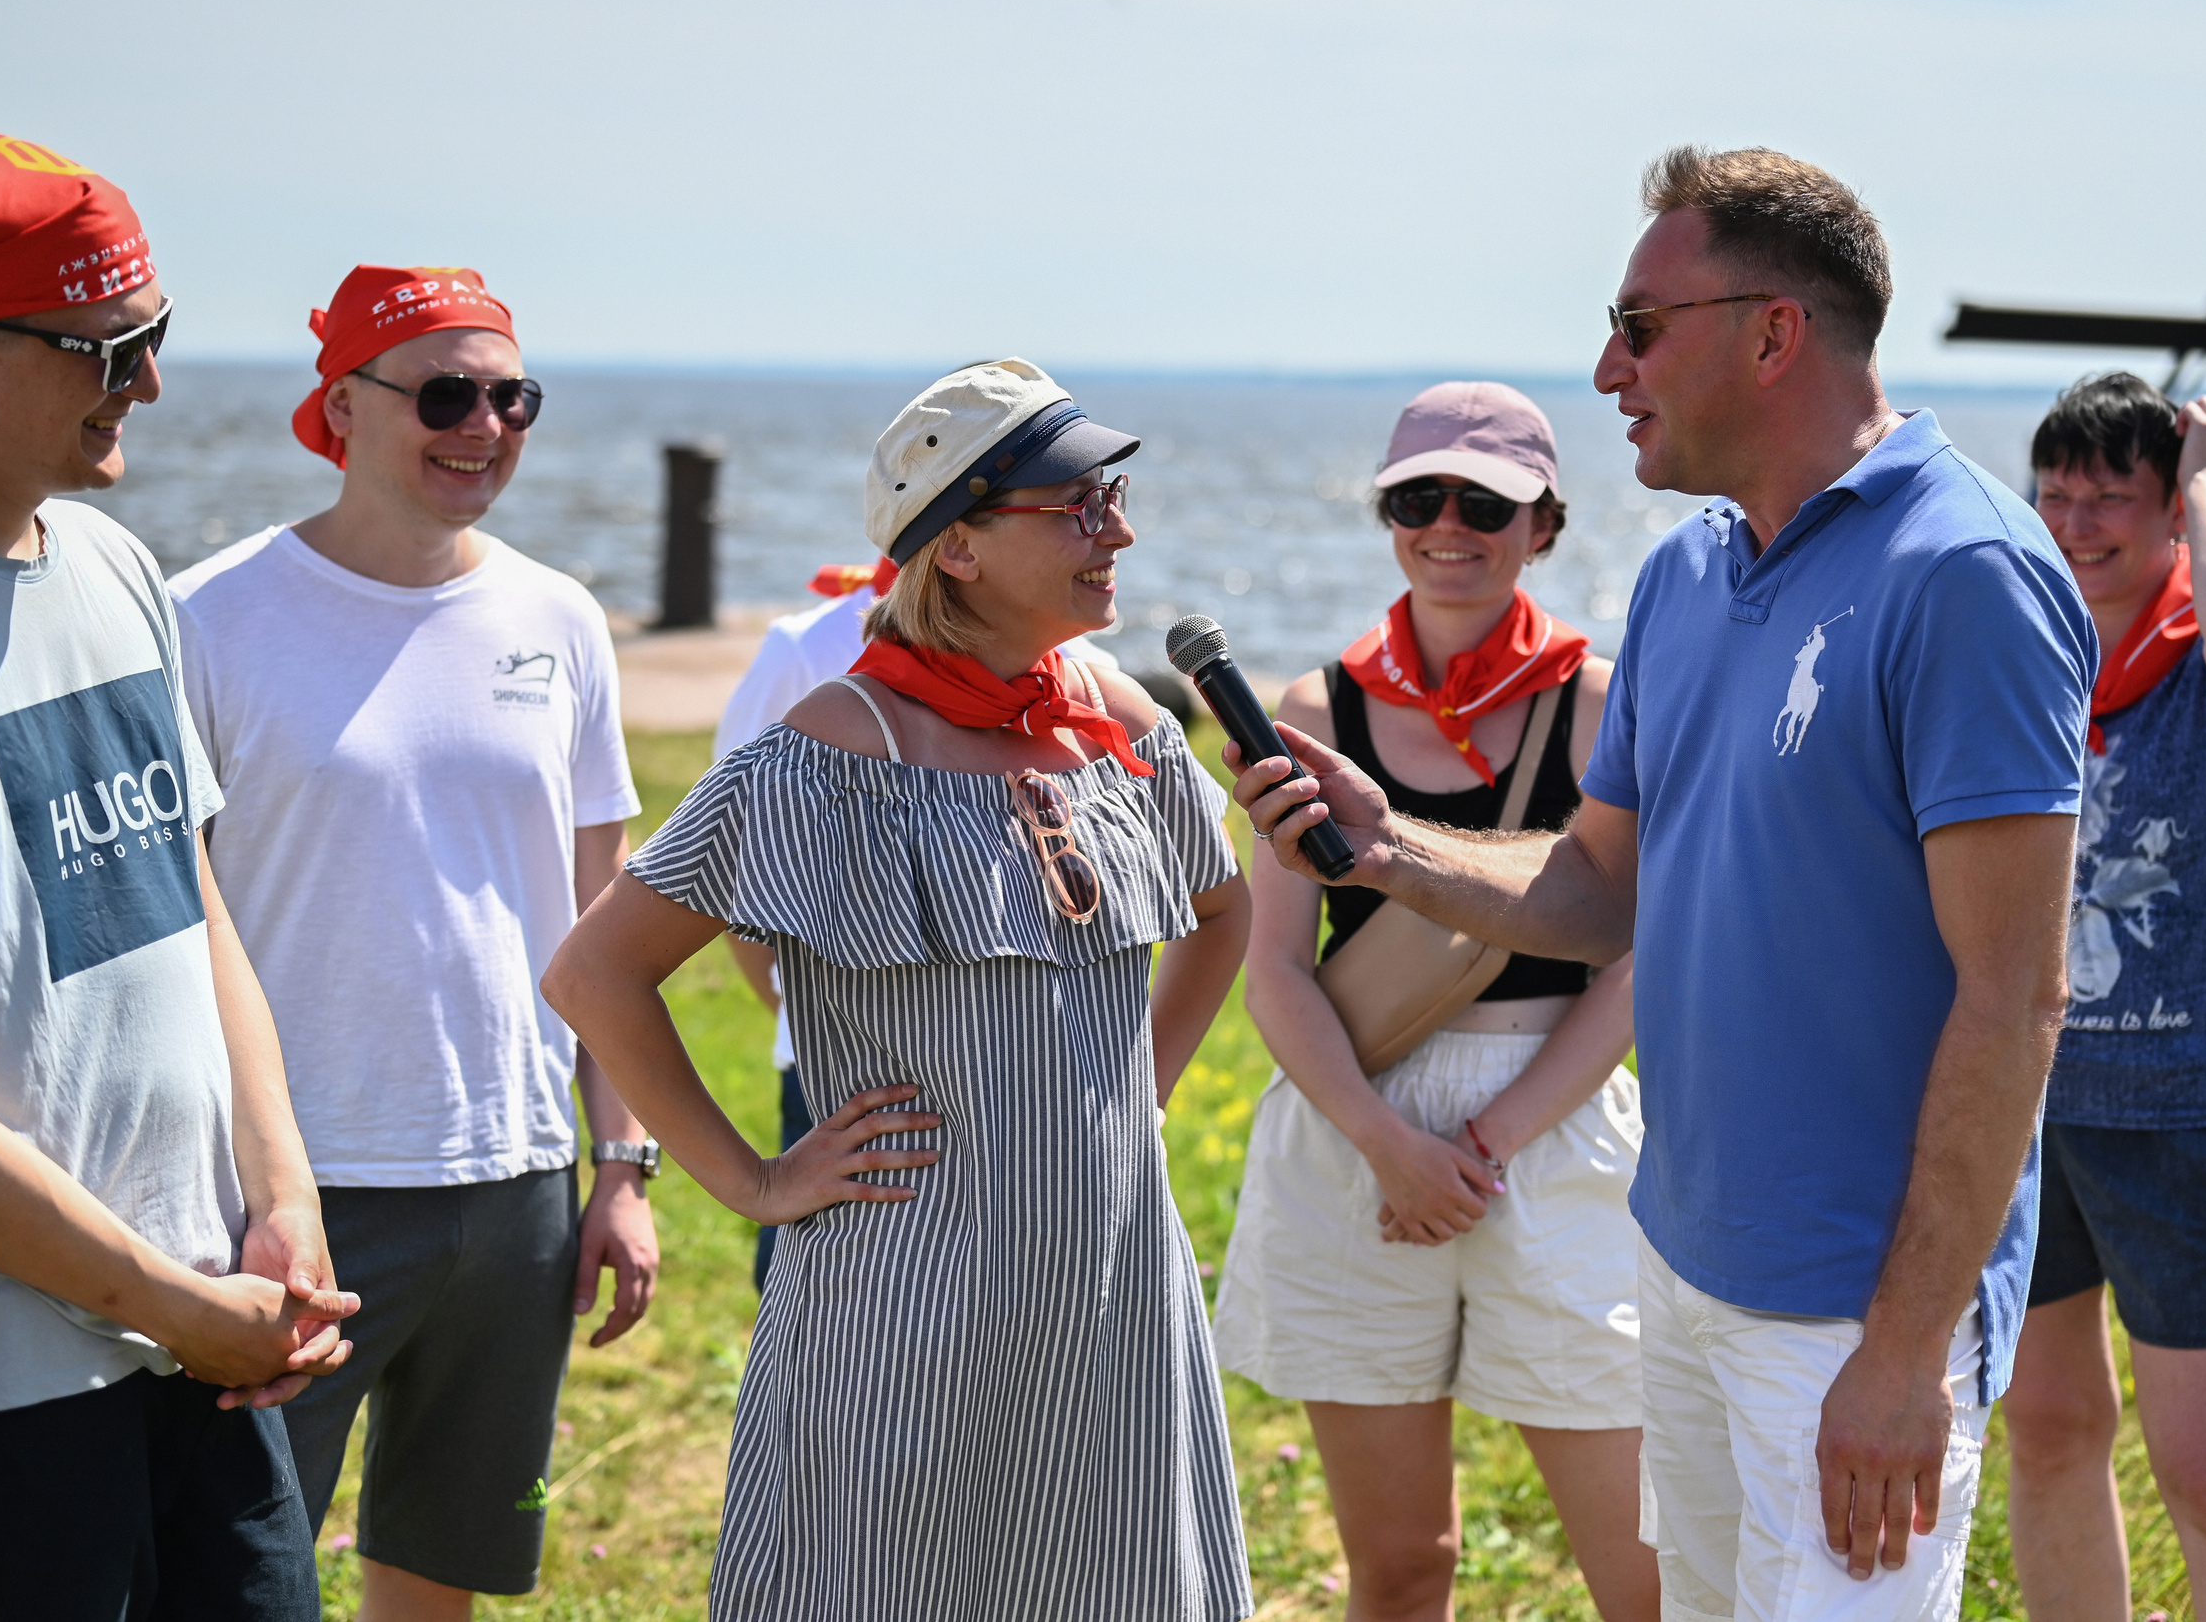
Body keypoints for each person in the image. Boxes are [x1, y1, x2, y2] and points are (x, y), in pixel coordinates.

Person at [1229, 147, 2097, 1621]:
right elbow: (1595, 891)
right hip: (1682, 1262)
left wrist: (1900, 1354)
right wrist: (1389, 850)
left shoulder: (1965, 572)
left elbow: (2015, 999)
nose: (1607, 366)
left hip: (1847, 1314)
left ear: (1774, 335)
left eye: (1641, 323)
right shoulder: (1689, 572)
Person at [542, 358, 1255, 1619]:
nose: (1120, 530)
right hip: (910, 1297)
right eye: (1078, 503)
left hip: (1111, 1286)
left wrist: (1132, 1095)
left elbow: (1221, 903)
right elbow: (594, 972)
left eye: (1115, 494)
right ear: (961, 544)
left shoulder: (1122, 717)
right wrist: (755, 1183)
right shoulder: (835, 747)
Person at [0, 129, 355, 1619]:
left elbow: (187, 907)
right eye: (107, 346)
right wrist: (167, 1305)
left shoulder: (112, 565)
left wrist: (282, 1201)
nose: (145, 383)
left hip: (201, 1323)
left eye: (154, 336)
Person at [169, 264, 655, 1618]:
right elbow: (160, 925)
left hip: (514, 1182)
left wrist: (619, 1164)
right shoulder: (210, 616)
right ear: (341, 406)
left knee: (445, 1572)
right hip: (292, 1193)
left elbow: (597, 910)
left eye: (513, 397)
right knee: (236, 1575)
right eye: (446, 392)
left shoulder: (558, 618)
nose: (483, 425)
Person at [1212, 380, 1658, 1620]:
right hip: (1356, 1125)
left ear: (1545, 523)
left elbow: (1638, 959)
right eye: (1417, 497)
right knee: (1402, 1568)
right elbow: (1276, 970)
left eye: (1485, 501)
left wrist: (1479, 1144)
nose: (1447, 524)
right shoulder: (1313, 710)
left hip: (1550, 1125)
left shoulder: (1596, 703)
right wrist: (1389, 1144)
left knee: (1644, 1575)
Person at [2003, 373, 2206, 1622]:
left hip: (2189, 1119)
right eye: (2055, 494)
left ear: (2175, 515)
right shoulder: (2025, 662)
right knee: (2051, 1427)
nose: (2076, 522)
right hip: (2023, 1111)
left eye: (2112, 497)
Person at [715, 555, 1117, 1290]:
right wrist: (801, 1018)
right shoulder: (808, 648)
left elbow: (1206, 898)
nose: (1106, 530)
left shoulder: (1077, 664)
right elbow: (739, 878)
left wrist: (1137, 1098)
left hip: (1031, 1092)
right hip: (854, 1087)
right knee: (841, 1334)